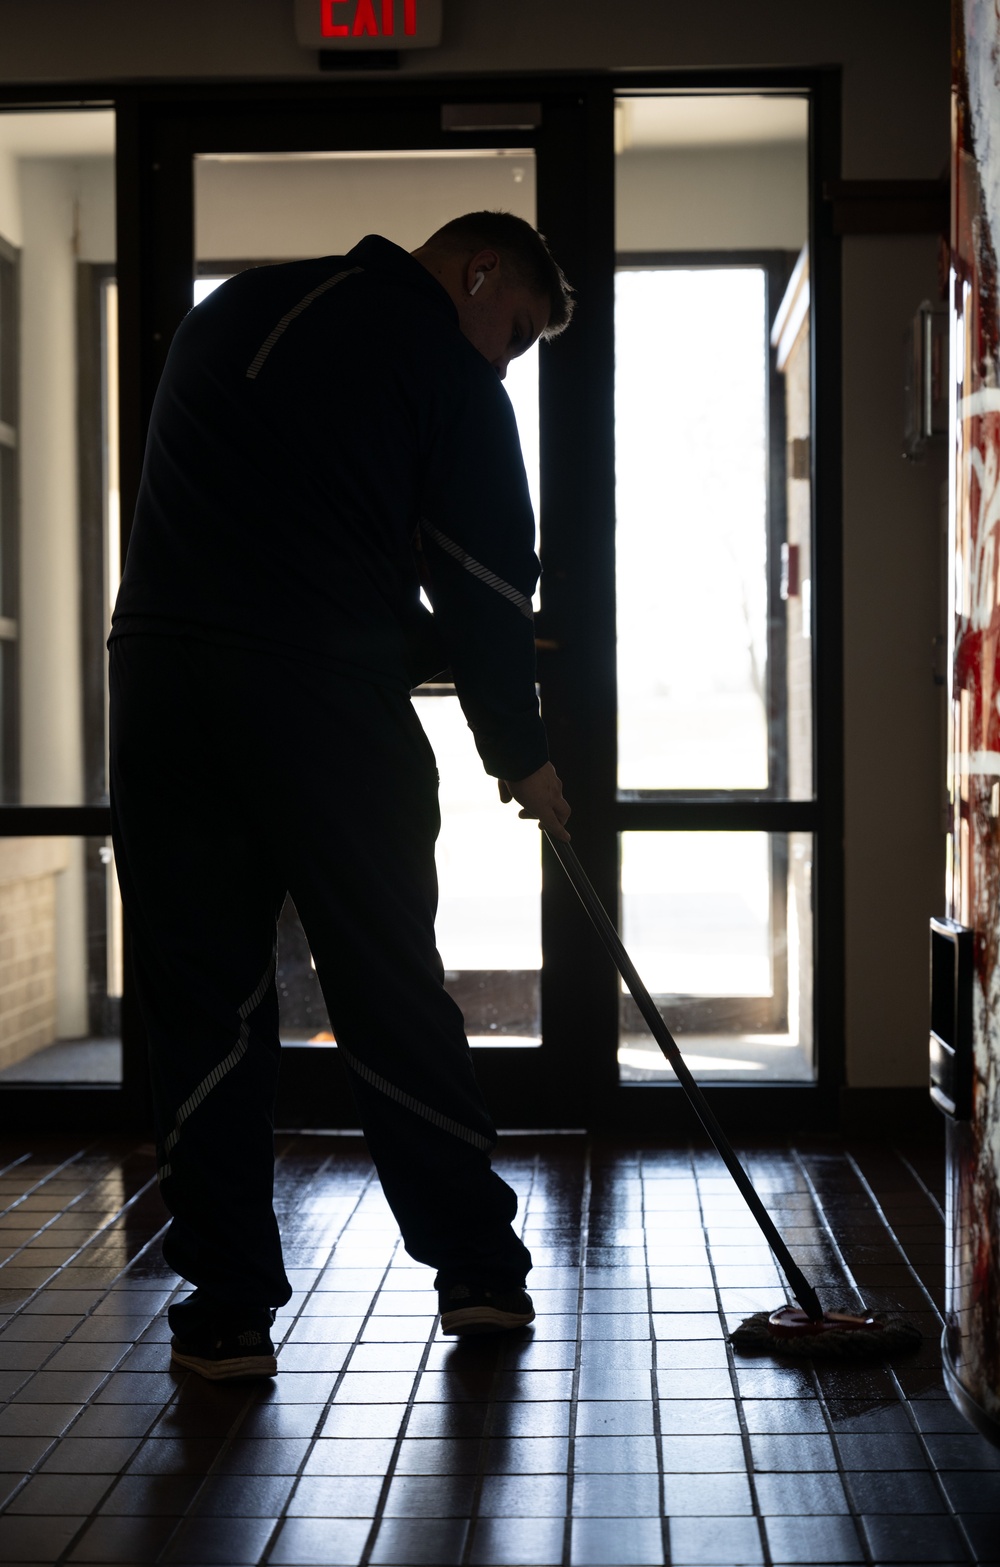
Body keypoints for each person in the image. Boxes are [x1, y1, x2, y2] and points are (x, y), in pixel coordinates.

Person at [108, 210, 574, 1379]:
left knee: (200, 1005)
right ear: (478, 271)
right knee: (385, 985)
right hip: (324, 711)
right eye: (511, 331)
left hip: (161, 695)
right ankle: (473, 1269)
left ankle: (224, 1311)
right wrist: (520, 753)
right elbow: (482, 584)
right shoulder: (448, 372)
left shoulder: (231, 314)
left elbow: (231, 527)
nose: (503, 361)